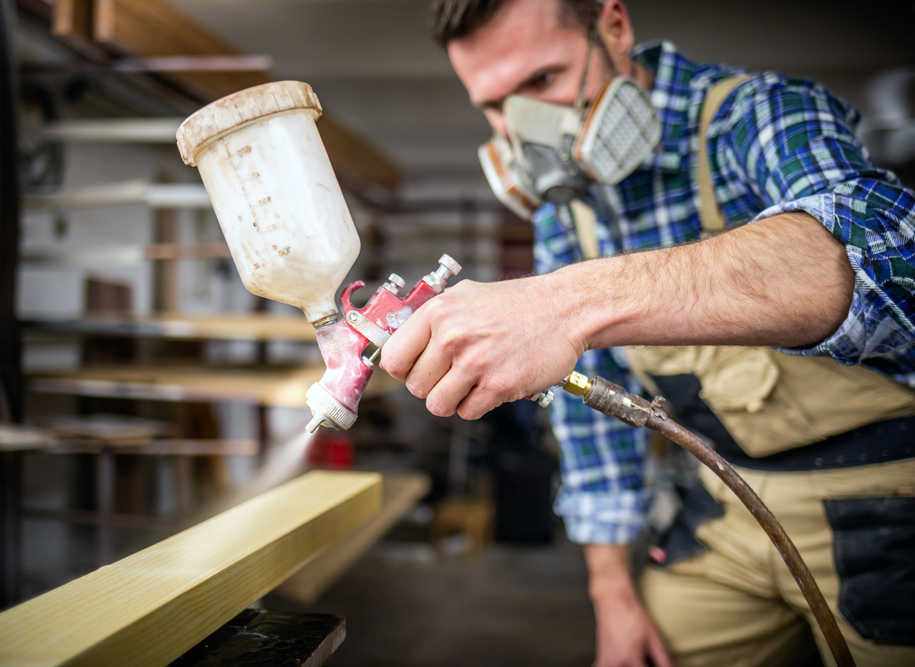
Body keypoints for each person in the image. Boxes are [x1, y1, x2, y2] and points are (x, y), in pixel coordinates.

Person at [379, 1, 915, 665]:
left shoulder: (758, 113)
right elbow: (591, 416)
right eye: (493, 104)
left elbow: (894, 257)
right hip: (723, 502)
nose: (524, 127)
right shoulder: (564, 217)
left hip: (890, 496)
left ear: (614, 28)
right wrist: (610, 591)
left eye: (542, 81)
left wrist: (568, 303)